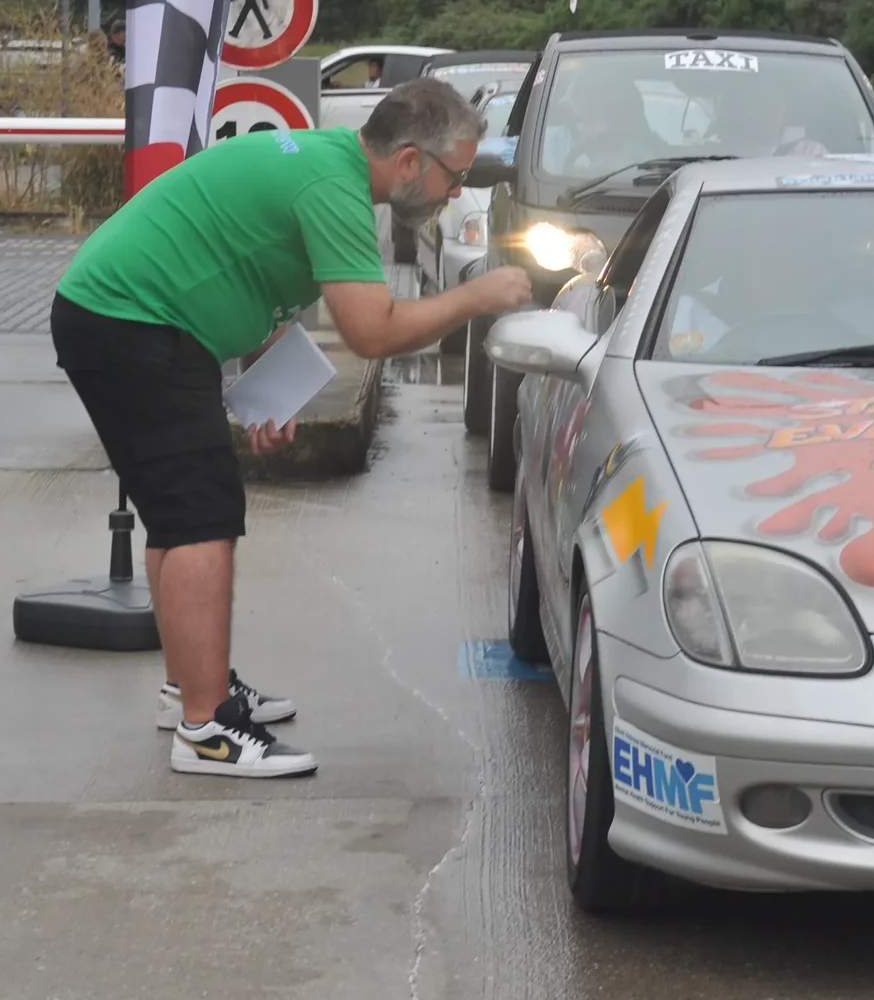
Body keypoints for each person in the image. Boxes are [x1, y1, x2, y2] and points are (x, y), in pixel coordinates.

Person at [50, 80, 533, 776]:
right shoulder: (331, 187)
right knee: (200, 515)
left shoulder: (329, 166)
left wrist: (263, 398)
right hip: (132, 323)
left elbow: (253, 265)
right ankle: (208, 730)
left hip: (131, 320)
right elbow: (372, 331)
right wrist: (477, 296)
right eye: (454, 176)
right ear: (407, 162)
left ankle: (191, 689)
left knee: (179, 512)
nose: (456, 193)